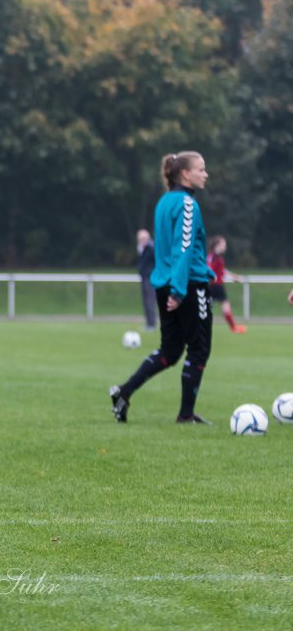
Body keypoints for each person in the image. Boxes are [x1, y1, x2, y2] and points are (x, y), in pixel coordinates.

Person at [110, 151, 214, 425]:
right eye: (201, 169)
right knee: (199, 349)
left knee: (169, 352)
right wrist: (179, 290)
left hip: (164, 283)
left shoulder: (164, 202)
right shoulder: (187, 204)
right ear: (185, 174)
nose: (206, 174)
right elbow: (183, 248)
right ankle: (185, 415)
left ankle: (124, 391)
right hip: (187, 286)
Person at [206, 236, 246, 333]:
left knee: (221, 307)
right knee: (221, 307)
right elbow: (209, 269)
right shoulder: (213, 257)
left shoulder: (214, 257)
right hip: (213, 286)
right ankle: (233, 327)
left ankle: (233, 328)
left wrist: (233, 276)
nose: (225, 247)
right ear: (217, 245)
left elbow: (222, 270)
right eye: (224, 244)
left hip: (216, 286)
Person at [136, 229, 157, 331]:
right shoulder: (141, 249)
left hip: (150, 278)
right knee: (145, 301)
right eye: (140, 238)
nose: (141, 240)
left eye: (143, 238)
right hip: (144, 277)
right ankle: (148, 323)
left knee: (150, 301)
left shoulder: (151, 249)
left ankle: (152, 324)